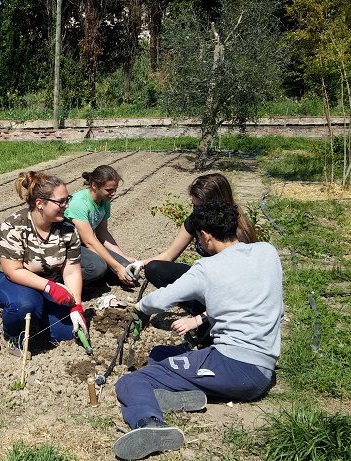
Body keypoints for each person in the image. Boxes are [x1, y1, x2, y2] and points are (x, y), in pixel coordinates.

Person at [113, 200, 283, 460]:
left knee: (132, 381)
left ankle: (150, 424)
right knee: (159, 354)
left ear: (205, 235)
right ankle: (182, 396)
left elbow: (161, 300)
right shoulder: (267, 252)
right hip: (264, 367)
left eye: (199, 239)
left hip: (234, 366)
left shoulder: (207, 268)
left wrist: (140, 307)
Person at [125, 173, 258, 340]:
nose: (196, 212)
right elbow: (168, 254)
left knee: (206, 335)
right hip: (205, 279)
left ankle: (205, 317)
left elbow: (240, 289)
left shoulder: (236, 233)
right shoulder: (197, 220)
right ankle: (199, 310)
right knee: (154, 268)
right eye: (194, 206)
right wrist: (140, 264)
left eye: (200, 206)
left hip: (227, 289)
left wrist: (198, 319)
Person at [0, 171, 86, 357]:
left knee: (65, 334)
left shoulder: (67, 229)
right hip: (11, 280)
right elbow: (13, 270)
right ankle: (13, 333)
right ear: (40, 203)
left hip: (48, 283)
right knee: (25, 304)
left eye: (68, 200)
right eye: (61, 202)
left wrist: (76, 307)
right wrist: (51, 288)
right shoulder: (14, 225)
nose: (66, 206)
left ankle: (39, 316)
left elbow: (72, 271)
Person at [64, 165, 137, 286]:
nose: (113, 193)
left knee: (128, 270)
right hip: (67, 245)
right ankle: (61, 283)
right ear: (94, 185)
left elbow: (102, 233)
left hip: (83, 244)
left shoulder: (104, 201)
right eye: (109, 190)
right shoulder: (79, 203)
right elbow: (90, 242)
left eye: (115, 189)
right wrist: (117, 268)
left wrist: (123, 258)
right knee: (98, 267)